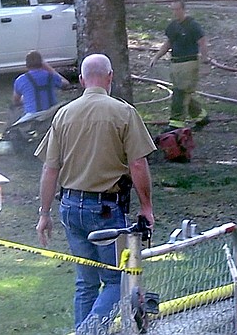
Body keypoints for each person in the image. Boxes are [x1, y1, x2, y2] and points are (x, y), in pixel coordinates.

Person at [34, 53, 156, 333]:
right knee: (117, 281)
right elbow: (138, 163)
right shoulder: (123, 112)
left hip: (70, 207)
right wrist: (146, 207)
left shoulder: (63, 114)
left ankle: (84, 328)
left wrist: (44, 213)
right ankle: (87, 332)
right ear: (110, 77)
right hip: (105, 210)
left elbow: (50, 169)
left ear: (81, 80)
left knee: (86, 282)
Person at [149, 0, 210, 130]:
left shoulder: (193, 25)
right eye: (173, 9)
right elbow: (168, 43)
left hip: (189, 63)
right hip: (175, 63)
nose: (175, 12)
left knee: (180, 93)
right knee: (183, 93)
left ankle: (175, 124)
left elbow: (203, 43)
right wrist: (156, 57)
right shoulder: (173, 26)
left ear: (183, 9)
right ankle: (201, 117)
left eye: (177, 9)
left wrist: (205, 63)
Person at [12, 50, 70, 116]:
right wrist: (49, 68)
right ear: (42, 64)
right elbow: (66, 84)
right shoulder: (51, 76)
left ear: (26, 65)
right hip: (51, 114)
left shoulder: (20, 80)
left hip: (32, 117)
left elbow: (16, 102)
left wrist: (26, 99)